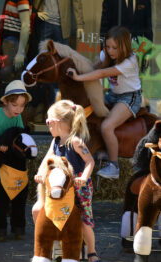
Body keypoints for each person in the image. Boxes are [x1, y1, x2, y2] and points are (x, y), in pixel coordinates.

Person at [32, 99, 102, 262]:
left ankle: (92, 252)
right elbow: (46, 160)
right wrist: (41, 174)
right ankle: (51, 241)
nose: (47, 125)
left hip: (78, 185)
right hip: (59, 186)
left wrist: (84, 178)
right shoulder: (55, 142)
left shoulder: (75, 142)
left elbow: (90, 162)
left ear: (57, 122)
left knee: (84, 220)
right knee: (37, 210)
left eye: (48, 121)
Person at [67, 26, 142, 179]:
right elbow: (96, 68)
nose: (110, 51)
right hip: (113, 95)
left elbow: (102, 73)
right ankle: (101, 148)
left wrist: (78, 78)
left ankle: (114, 166)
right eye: (107, 46)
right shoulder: (105, 55)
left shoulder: (130, 61)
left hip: (129, 97)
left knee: (107, 126)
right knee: (90, 112)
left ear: (124, 46)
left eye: (115, 47)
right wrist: (80, 74)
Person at [28, 0, 85, 123]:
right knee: (42, 66)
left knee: (61, 68)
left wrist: (80, 24)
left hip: (62, 26)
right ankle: (40, 106)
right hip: (45, 23)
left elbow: (76, 3)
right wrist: (36, 11)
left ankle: (56, 107)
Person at [0, 80, 32, 186]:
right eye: (14, 105)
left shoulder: (18, 116)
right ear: (5, 102)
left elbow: (20, 134)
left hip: (7, 150)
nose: (18, 109)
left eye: (22, 106)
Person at [0, 0, 32, 100]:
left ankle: (9, 102)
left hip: (14, 41)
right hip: (12, 40)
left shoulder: (22, 1)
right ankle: (8, 103)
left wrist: (20, 52)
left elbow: (26, 26)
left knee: (10, 73)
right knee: (9, 73)